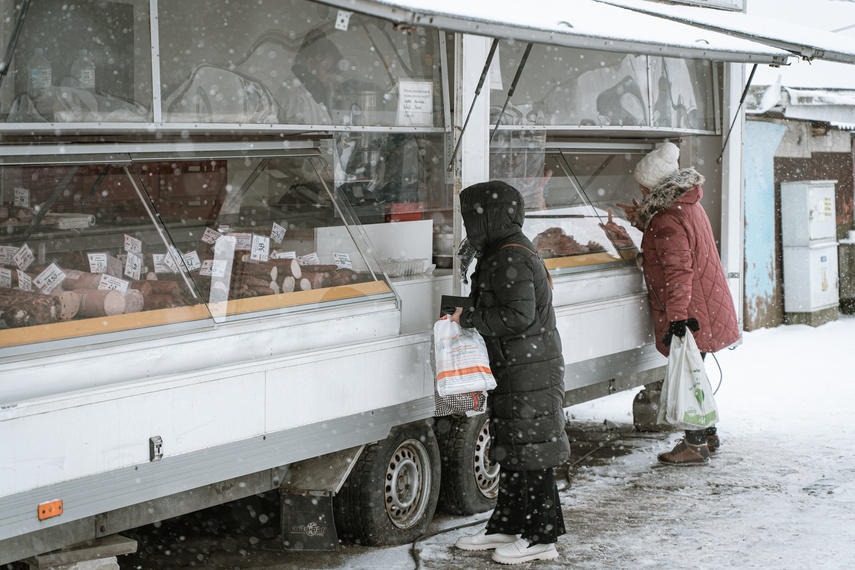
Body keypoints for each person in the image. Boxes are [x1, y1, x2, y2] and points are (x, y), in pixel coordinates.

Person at [449, 180, 571, 564]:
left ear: (490, 217)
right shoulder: (501, 249)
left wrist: (468, 317)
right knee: (516, 449)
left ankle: (541, 537)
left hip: (529, 369)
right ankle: (507, 525)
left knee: (533, 452)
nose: (468, 224)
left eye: (471, 216)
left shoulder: (510, 256)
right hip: (519, 366)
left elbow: (518, 315)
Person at [617, 142, 739, 466]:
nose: (639, 188)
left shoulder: (667, 218)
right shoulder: (684, 207)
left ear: (653, 185)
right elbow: (674, 243)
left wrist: (677, 319)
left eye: (642, 184)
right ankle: (707, 433)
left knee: (688, 374)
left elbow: (678, 270)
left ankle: (695, 444)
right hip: (703, 306)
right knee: (696, 371)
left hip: (691, 311)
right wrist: (643, 222)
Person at [276, 29, 342, 124]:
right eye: (328, 71)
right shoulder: (299, 97)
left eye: (335, 73)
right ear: (310, 63)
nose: (332, 78)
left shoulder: (310, 92)